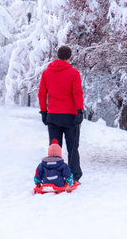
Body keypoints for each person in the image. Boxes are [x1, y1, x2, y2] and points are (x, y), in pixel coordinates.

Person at [38, 45, 84, 183]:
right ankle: (74, 176)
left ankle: (52, 175)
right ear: (70, 57)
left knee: (54, 148)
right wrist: (79, 111)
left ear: (57, 56)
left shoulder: (46, 73)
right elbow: (77, 93)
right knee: (72, 147)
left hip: (53, 116)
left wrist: (44, 112)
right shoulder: (74, 73)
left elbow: (41, 94)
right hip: (70, 117)